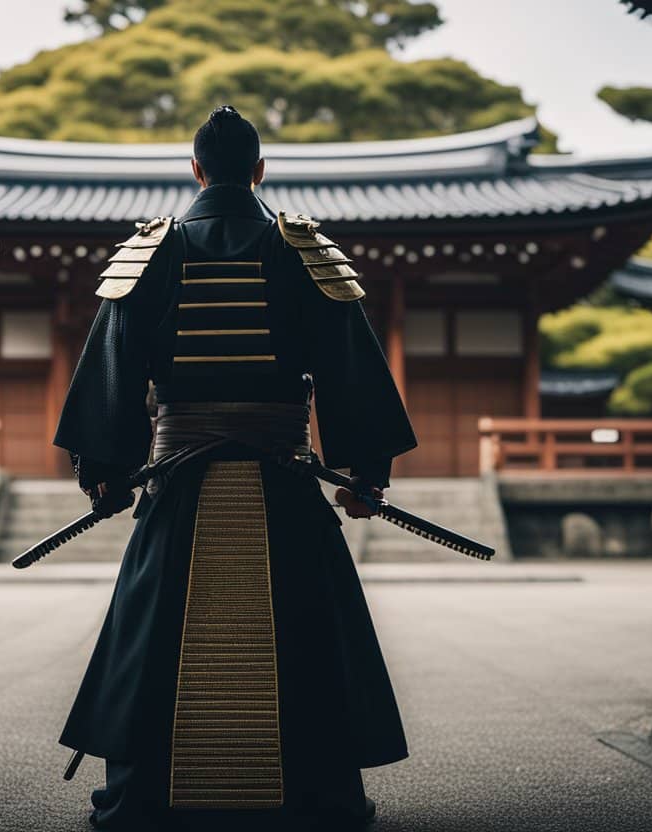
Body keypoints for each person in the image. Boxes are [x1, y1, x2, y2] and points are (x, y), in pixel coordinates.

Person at [53, 105, 418, 832]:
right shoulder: (304, 251)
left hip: (179, 481)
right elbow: (351, 368)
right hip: (283, 480)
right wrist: (364, 474)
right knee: (304, 625)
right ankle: (316, 795)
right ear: (260, 170)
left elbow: (113, 363)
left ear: (195, 169)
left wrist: (106, 472)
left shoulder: (151, 253)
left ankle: (147, 799)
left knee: (154, 627)